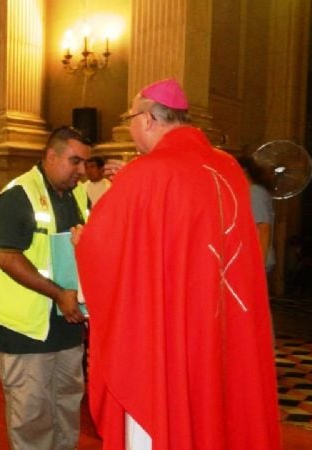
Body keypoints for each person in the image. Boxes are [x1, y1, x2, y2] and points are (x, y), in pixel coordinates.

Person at [75, 78, 280, 450]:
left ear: (150, 119)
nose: (130, 126)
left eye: (130, 117)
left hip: (166, 331)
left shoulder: (147, 172)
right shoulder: (228, 167)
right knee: (215, 407)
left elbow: (104, 249)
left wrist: (81, 243)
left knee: (165, 410)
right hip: (217, 322)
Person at [0, 126, 90, 450]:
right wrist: (59, 294)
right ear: (51, 156)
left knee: (67, 407)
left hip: (66, 322)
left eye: (85, 162)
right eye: (74, 161)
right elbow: (7, 257)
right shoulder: (19, 194)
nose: (81, 170)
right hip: (24, 326)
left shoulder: (76, 194)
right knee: (31, 416)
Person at [238, 156, 276, 274]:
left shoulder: (254, 192)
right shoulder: (252, 191)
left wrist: (257, 266)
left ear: (243, 171)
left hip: (256, 262)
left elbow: (263, 229)